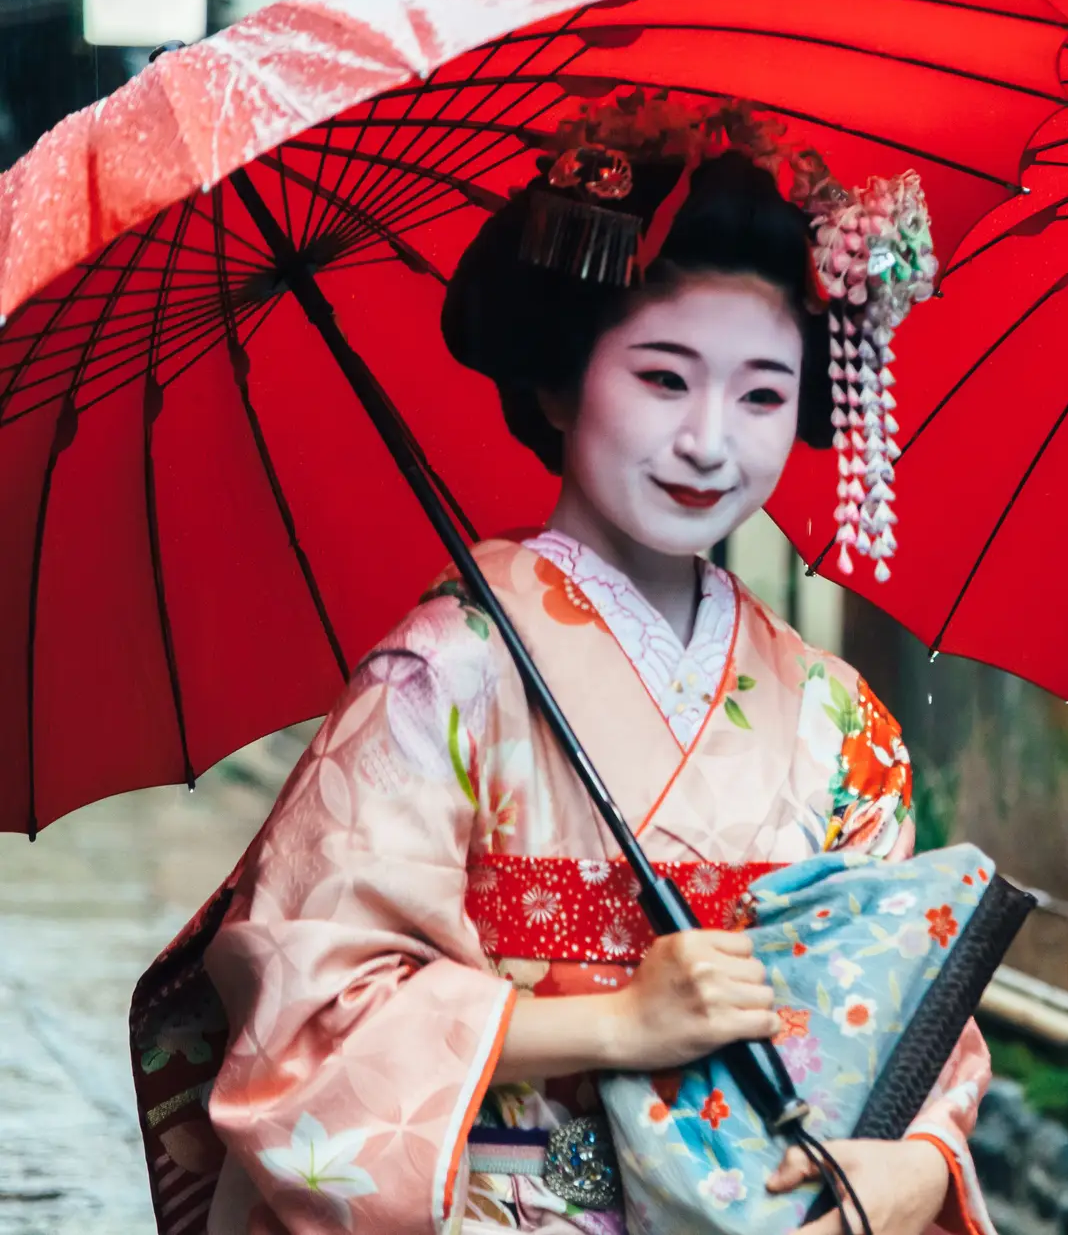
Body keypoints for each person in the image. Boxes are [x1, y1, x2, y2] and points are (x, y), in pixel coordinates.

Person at [127, 99, 991, 1235]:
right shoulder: (442, 675)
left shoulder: (836, 716)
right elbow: (309, 1006)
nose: (711, 440)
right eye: (664, 377)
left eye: (764, 393)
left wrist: (920, 1161)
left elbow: (912, 1008)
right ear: (556, 382)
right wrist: (615, 1024)